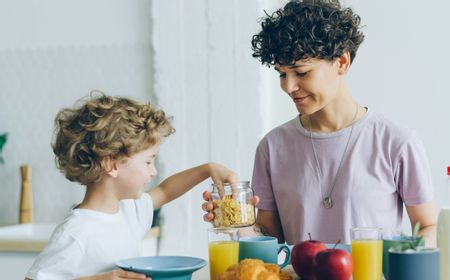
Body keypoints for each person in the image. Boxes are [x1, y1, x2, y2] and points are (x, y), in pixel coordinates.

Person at [203, 0, 437, 246]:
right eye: (282, 74)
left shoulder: (396, 142)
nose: (288, 87)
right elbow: (270, 238)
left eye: (301, 72)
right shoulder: (272, 147)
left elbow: (428, 226)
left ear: (342, 62)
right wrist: (235, 223)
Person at [26, 93, 238, 280]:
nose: (153, 171)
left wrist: (208, 169)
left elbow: (165, 191)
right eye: (148, 161)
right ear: (111, 163)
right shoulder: (75, 233)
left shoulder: (129, 210)